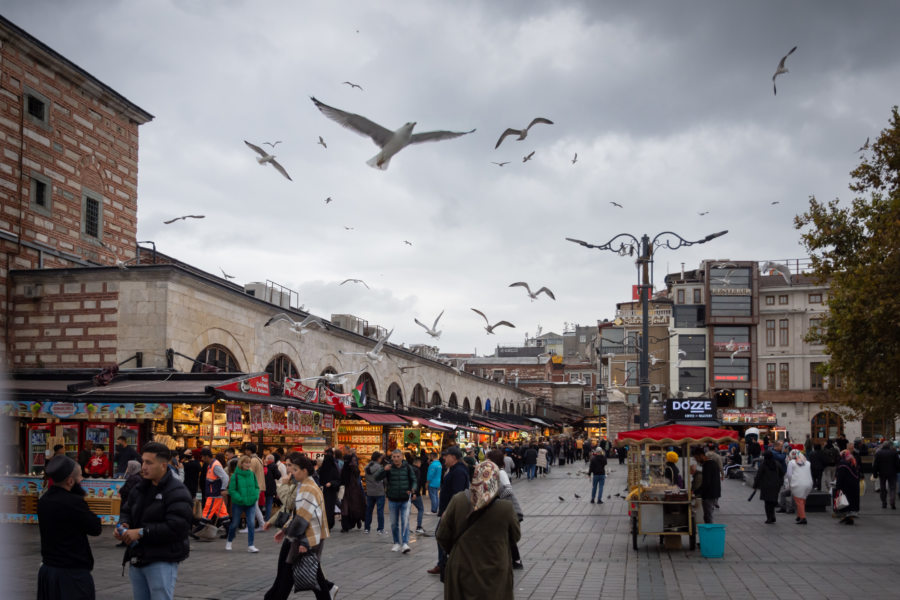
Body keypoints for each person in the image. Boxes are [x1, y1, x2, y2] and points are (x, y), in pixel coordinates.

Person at [115, 442, 193, 600]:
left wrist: (142, 532)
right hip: (137, 557)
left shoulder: (177, 491)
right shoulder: (140, 487)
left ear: (163, 465)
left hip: (162, 559)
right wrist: (124, 524)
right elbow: (127, 510)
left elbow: (178, 527)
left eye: (149, 463)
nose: (144, 467)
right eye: (143, 461)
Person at [436, 461, 520, 600]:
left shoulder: (459, 500)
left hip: (462, 567)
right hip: (495, 568)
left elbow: (442, 534)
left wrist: (458, 548)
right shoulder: (506, 508)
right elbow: (515, 536)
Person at [264, 454, 337, 600]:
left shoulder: (308, 488)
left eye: (295, 469)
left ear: (305, 470)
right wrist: (285, 530)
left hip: (303, 539)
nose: (292, 472)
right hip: (303, 537)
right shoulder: (304, 485)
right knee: (304, 575)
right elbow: (298, 513)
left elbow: (306, 517)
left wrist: (304, 541)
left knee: (287, 577)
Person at [37, 455, 102, 600]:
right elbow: (95, 528)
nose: (82, 479)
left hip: (48, 570)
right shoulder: (74, 502)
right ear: (70, 481)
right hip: (72, 573)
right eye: (80, 476)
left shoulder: (44, 500)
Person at [427, 446, 469, 576]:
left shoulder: (459, 472)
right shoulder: (453, 469)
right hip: (449, 510)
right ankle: (445, 563)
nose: (444, 458)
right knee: (445, 536)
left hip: (452, 512)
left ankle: (445, 564)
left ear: (454, 457)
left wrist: (449, 510)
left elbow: (457, 493)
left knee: (441, 535)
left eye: (447, 456)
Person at [375, 448, 418, 553]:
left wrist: (413, 490)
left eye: (398, 456)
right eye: (394, 457)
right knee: (394, 523)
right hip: (393, 499)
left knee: (405, 522)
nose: (396, 459)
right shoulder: (388, 468)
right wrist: (383, 470)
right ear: (391, 458)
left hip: (405, 499)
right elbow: (376, 478)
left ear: (402, 457)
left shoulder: (407, 467)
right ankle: (396, 543)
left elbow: (414, 480)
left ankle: (405, 543)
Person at [225, 455, 261, 552]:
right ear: (241, 463)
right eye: (246, 462)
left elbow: (257, 487)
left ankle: (251, 545)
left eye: (249, 462)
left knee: (251, 523)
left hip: (251, 503)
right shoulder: (235, 476)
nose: (248, 464)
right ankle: (229, 540)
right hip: (239, 503)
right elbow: (232, 490)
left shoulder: (252, 474)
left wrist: (255, 496)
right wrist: (240, 499)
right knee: (235, 523)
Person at [197, 448, 230, 533]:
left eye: (203, 457)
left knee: (206, 513)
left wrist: (223, 488)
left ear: (207, 457)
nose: (202, 459)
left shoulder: (215, 465)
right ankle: (229, 532)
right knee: (223, 514)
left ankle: (196, 531)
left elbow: (225, 477)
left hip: (214, 494)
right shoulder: (211, 465)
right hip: (215, 494)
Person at [753, 451, 785, 523]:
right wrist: (780, 483)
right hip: (775, 486)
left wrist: (755, 485)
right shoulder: (777, 463)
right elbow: (782, 473)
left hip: (766, 486)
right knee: (772, 501)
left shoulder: (763, 464)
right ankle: (772, 516)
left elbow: (759, 475)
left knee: (767, 503)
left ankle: (769, 517)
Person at [692, 446, 720, 523]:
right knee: (708, 515)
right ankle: (710, 532)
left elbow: (706, 483)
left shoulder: (707, 465)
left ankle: (710, 533)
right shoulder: (713, 463)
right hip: (714, 494)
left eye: (696, 458)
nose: (697, 460)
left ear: (701, 455)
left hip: (709, 495)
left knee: (708, 517)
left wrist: (695, 492)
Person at [339, 451, 366, 532]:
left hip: (351, 491)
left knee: (349, 508)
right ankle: (349, 524)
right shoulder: (351, 468)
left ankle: (350, 523)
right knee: (349, 508)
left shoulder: (350, 468)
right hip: (351, 491)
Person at [242, 443, 267, 531]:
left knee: (251, 507)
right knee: (255, 507)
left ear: (249, 450)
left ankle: (250, 527)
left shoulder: (252, 460)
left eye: (246, 450)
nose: (245, 451)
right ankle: (262, 525)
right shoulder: (259, 459)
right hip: (259, 486)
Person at [786, 450, 813, 525]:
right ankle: (799, 515)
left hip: (797, 483)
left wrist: (790, 483)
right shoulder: (807, 462)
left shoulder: (791, 463)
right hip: (808, 483)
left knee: (799, 501)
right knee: (803, 500)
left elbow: (789, 474)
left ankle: (803, 518)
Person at [317, 449, 341, 530]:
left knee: (329, 508)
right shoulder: (323, 468)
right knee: (325, 508)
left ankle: (328, 524)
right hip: (323, 491)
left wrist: (331, 483)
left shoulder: (334, 469)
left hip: (330, 492)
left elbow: (338, 480)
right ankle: (325, 523)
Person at [835, 449, 860, 525]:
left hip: (847, 485)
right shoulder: (852, 461)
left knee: (846, 501)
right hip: (854, 484)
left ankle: (848, 517)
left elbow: (840, 477)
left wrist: (838, 487)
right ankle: (849, 517)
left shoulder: (843, 464)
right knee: (851, 501)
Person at [872, 440, 899, 509]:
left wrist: (875, 473)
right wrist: (897, 470)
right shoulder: (894, 453)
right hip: (892, 473)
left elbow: (875, 465)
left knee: (883, 488)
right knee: (892, 488)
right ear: (889, 446)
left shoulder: (879, 453)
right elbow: (898, 464)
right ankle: (892, 500)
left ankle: (884, 503)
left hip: (882, 473)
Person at [364, 451, 386, 534]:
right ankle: (380, 529)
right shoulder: (380, 467)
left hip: (370, 492)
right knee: (380, 511)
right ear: (378, 458)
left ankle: (367, 528)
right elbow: (384, 479)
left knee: (369, 511)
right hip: (379, 492)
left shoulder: (367, 467)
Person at [408, 455, 427, 534]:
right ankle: (419, 527)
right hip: (415, 493)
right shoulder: (417, 470)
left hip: (407, 493)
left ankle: (406, 527)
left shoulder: (408, 469)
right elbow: (416, 482)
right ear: (418, 463)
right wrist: (415, 493)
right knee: (421, 509)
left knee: (406, 510)